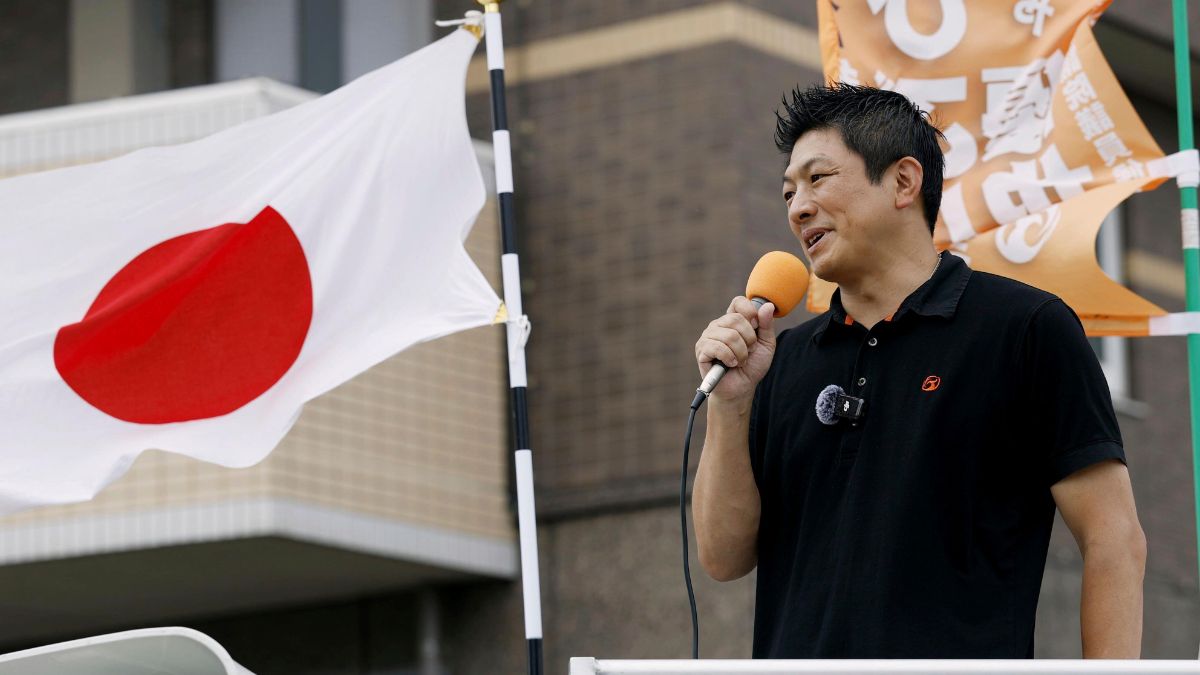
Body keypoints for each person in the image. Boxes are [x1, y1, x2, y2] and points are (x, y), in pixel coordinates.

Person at [691, 84, 1146, 659]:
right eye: (788, 191)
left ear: (904, 181)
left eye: (818, 178)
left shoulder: (1025, 329)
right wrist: (730, 401)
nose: (798, 207)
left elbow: (1113, 538)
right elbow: (723, 557)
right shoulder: (782, 362)